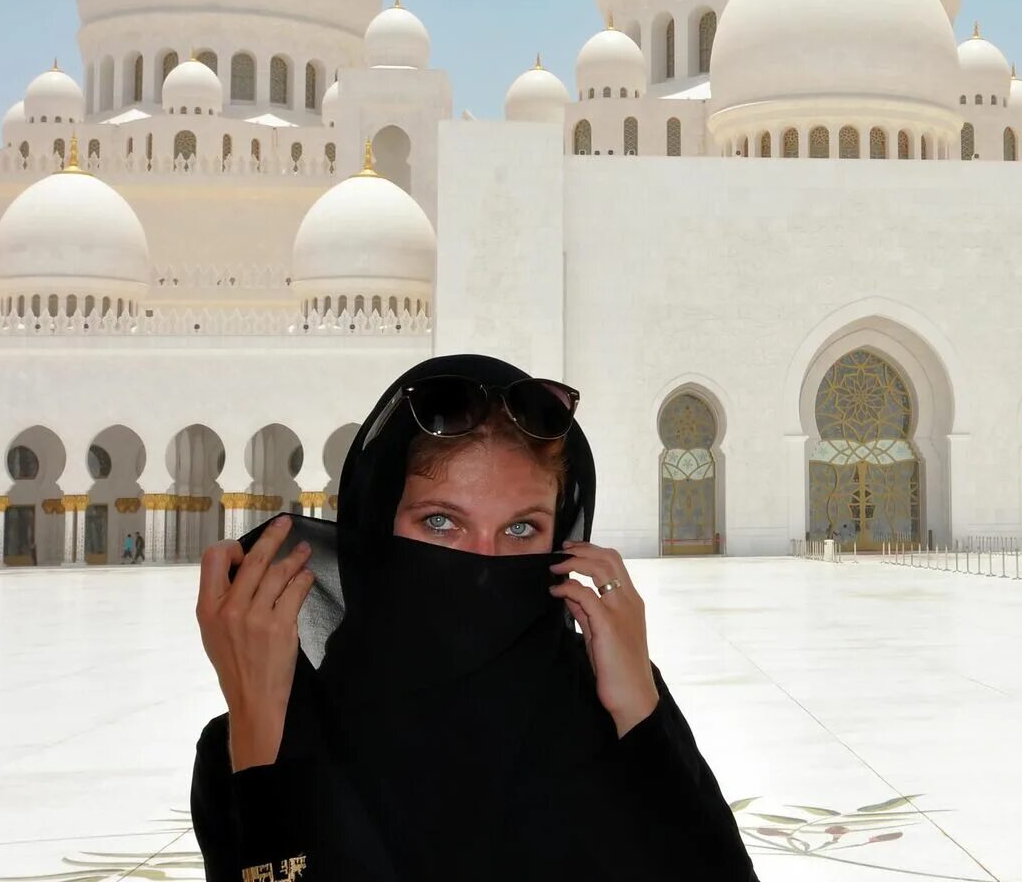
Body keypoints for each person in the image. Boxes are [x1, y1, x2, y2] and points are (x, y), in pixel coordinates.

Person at [189, 354, 758, 880]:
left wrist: (641, 710)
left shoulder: (613, 714)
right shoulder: (253, 742)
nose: (483, 568)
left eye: (520, 529)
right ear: (373, 524)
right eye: (440, 523)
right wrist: (262, 744)